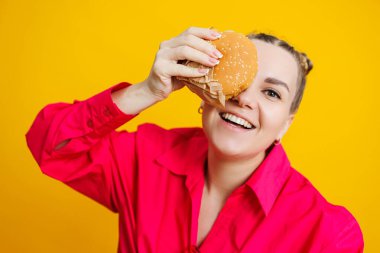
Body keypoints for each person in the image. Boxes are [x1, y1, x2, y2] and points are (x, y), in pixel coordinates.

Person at [25, 27, 364, 252]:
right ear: (203, 92)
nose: (244, 99)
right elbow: (50, 147)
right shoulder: (143, 156)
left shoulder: (328, 233)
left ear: (286, 124)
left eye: (272, 93)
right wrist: (147, 90)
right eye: (238, 82)